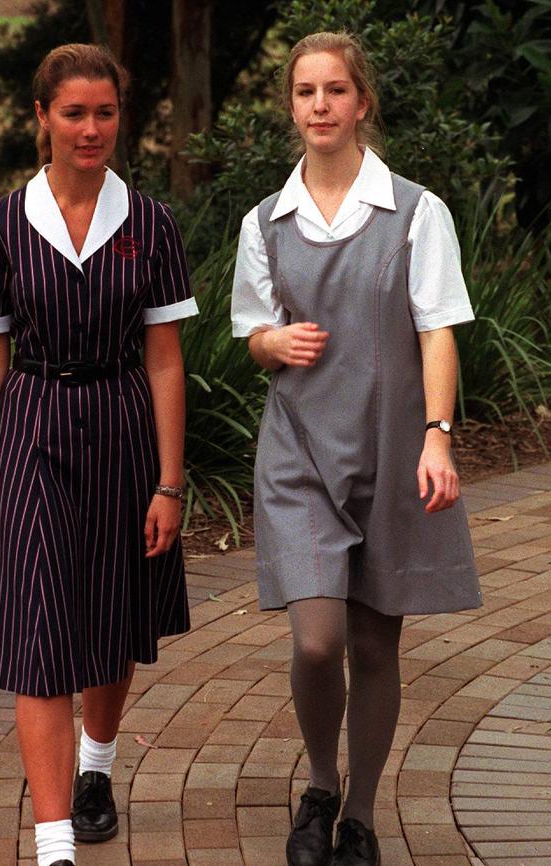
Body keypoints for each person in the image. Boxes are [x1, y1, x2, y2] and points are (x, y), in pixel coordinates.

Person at [231, 31, 481, 866]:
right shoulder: (264, 222)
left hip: (393, 451)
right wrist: (274, 345)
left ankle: (361, 817)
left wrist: (438, 438)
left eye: (335, 91)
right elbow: (251, 333)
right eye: (306, 93)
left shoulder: (416, 212)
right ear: (292, 107)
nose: (320, 107)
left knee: (376, 645)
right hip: (300, 452)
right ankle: (321, 781)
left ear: (361, 102)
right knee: (317, 640)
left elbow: (439, 331)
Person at [0, 43, 198, 866]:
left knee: (111, 608)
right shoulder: (1, 225)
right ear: (42, 118)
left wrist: (171, 483)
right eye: (74, 113)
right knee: (37, 625)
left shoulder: (151, 223)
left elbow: (165, 357)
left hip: (124, 424)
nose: (90, 129)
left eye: (104, 113)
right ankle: (54, 842)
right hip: (32, 427)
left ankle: (97, 763)